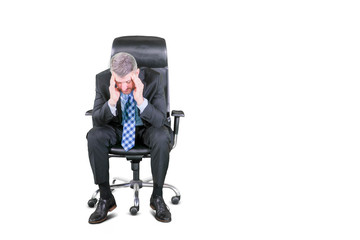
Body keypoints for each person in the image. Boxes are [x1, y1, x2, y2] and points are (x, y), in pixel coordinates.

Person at [87, 52, 173, 223]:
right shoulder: (102, 80)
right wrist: (112, 101)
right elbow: (96, 120)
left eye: (128, 81)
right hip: (117, 129)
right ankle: (105, 198)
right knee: (94, 136)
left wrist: (140, 100)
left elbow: (159, 120)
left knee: (162, 136)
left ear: (136, 73)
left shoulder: (154, 79)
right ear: (112, 75)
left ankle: (157, 197)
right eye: (119, 82)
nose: (124, 87)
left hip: (146, 129)